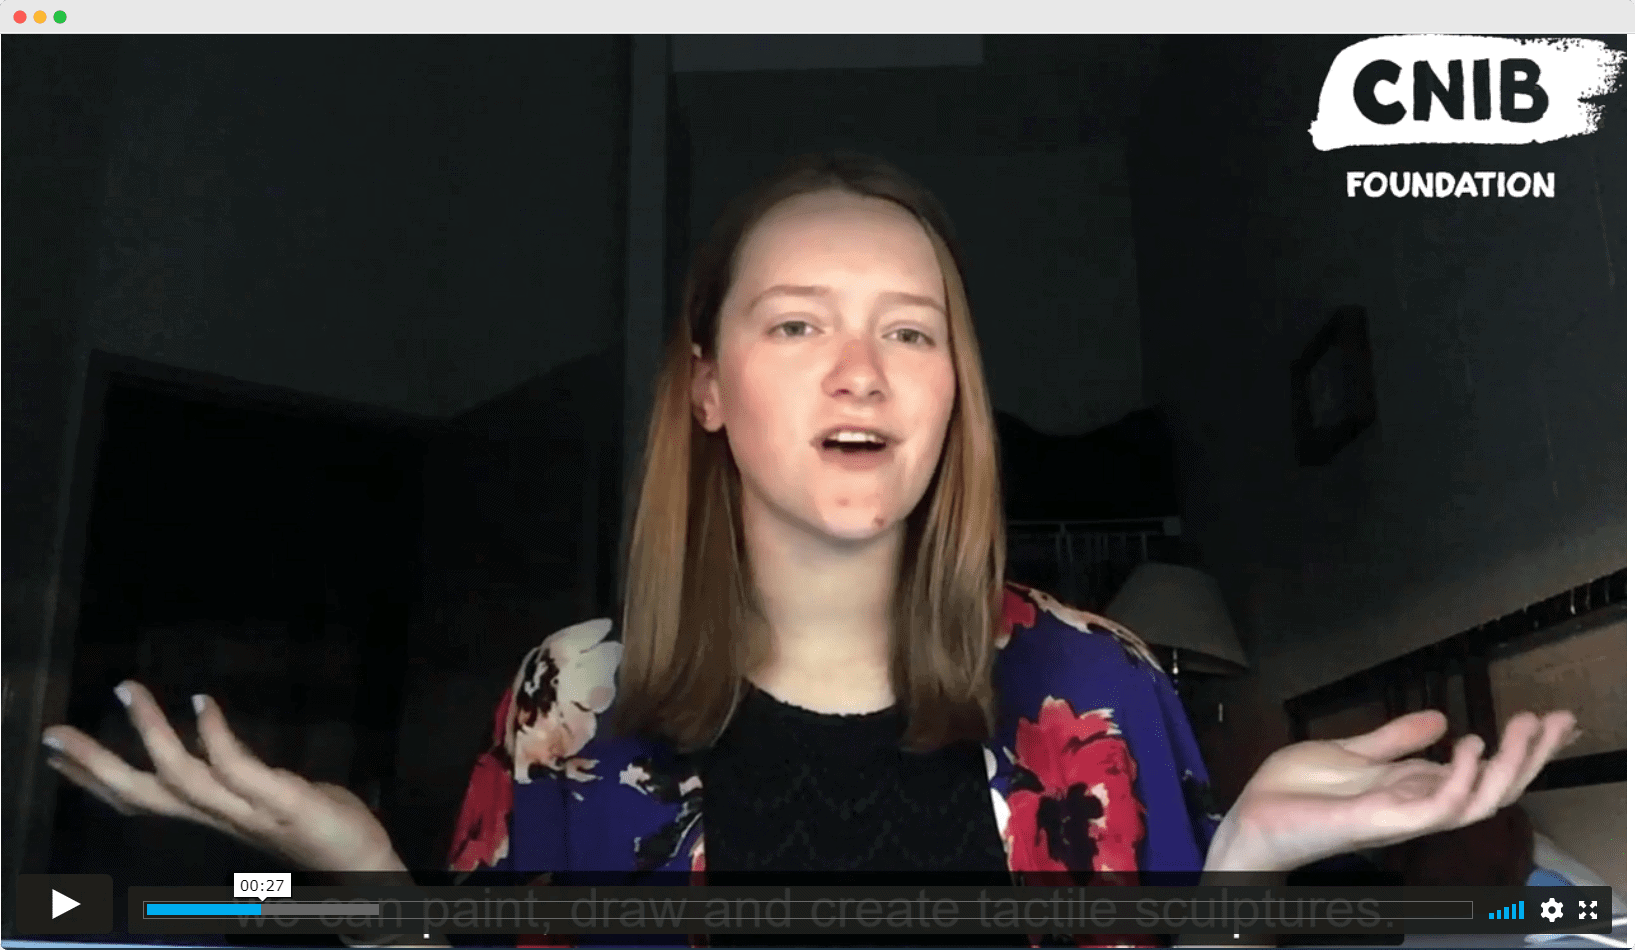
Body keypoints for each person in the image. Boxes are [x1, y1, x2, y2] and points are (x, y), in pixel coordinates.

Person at [42, 152, 1578, 948]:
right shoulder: (569, 701)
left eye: (910, 332)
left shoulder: (1100, 683)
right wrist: (363, 874)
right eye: (798, 325)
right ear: (706, 389)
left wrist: (1241, 862)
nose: (863, 372)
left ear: (950, 390)